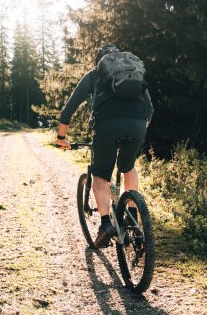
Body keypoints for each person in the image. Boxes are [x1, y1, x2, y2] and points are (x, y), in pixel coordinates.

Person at [55, 44, 154, 248]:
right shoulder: (132, 71)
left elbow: (70, 108)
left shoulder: (94, 74)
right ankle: (132, 216)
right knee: (128, 166)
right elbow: (150, 108)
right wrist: (138, 128)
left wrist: (61, 138)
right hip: (137, 124)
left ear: (99, 61)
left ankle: (105, 224)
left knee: (100, 175)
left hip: (107, 125)